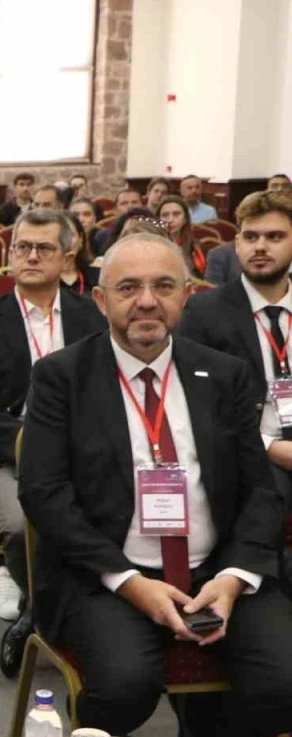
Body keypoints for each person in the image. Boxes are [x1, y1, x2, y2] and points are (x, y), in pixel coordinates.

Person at [19, 231, 292, 737]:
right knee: (123, 687)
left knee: (287, 680)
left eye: (164, 286)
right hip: (106, 575)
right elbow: (44, 494)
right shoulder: (61, 376)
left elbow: (260, 491)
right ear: (100, 300)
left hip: (214, 569)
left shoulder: (223, 373)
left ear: (186, 295)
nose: (147, 301)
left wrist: (233, 577)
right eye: (129, 288)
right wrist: (128, 582)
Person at [0, 209, 105, 627]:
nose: (32, 256)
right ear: (10, 254)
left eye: (44, 248)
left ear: (66, 256)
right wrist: (36, 445)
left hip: (82, 454)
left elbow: (103, 395)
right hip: (8, 459)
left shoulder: (92, 317)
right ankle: (31, 602)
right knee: (25, 525)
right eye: (23, 247)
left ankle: (87, 603)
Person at [178, 190, 292, 508]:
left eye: (275, 237)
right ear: (237, 243)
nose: (260, 246)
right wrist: (270, 447)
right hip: (251, 452)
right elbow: (199, 405)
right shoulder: (204, 312)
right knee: (266, 500)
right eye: (251, 237)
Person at [155, 195, 205, 278]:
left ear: (185, 219)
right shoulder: (151, 246)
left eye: (176, 214)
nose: (170, 220)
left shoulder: (195, 246)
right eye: (165, 215)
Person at [92, 190, 150, 256]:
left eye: (134, 202)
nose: (130, 206)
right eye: (124, 203)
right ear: (115, 209)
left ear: (142, 206)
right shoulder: (103, 237)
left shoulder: (152, 231)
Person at [60, 211, 98, 296]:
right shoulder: (41, 280)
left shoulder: (99, 276)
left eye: (71, 235)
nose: (66, 241)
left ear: (80, 239)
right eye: (60, 236)